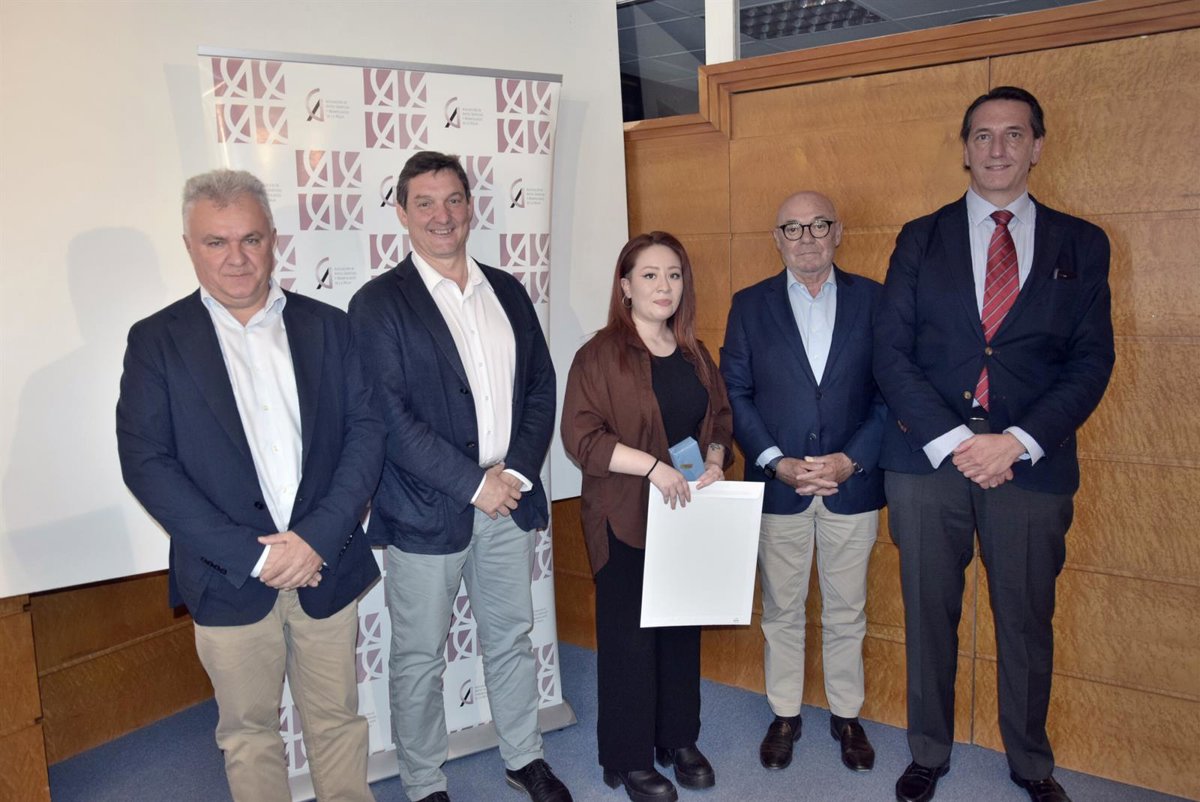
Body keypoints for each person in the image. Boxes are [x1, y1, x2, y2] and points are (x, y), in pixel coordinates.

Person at [874, 87, 1115, 802]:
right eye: (983, 135)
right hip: (927, 462)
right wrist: (956, 441)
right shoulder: (920, 237)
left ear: (1037, 146)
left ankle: (1031, 763)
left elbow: (1091, 361)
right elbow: (891, 352)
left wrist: (1016, 441)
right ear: (966, 149)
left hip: (1029, 466)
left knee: (1026, 620)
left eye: (1014, 134)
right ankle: (928, 752)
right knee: (928, 615)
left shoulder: (1082, 243)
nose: (998, 148)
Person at [116, 169, 383, 802]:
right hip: (226, 575)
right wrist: (257, 556)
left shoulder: (331, 326)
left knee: (338, 722)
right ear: (190, 246)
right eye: (216, 242)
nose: (236, 257)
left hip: (325, 563)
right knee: (249, 735)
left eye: (250, 239)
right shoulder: (156, 341)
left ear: (272, 240)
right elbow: (147, 463)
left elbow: (366, 435)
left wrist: (315, 540)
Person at [347, 151, 568, 802]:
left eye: (453, 200)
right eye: (425, 202)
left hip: (509, 499)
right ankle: (423, 783)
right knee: (419, 656)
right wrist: (475, 484)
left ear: (470, 207)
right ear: (401, 212)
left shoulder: (507, 290)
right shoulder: (377, 304)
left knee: (511, 637)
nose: (441, 215)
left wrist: (516, 472)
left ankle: (524, 757)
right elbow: (389, 416)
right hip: (424, 509)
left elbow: (540, 385)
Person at [561, 231, 733, 802]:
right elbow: (582, 438)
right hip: (624, 514)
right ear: (626, 286)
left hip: (684, 516)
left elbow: (720, 419)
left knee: (681, 630)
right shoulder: (598, 355)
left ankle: (677, 739)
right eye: (651, 275)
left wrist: (714, 459)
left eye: (674, 275)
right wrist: (654, 468)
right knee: (630, 640)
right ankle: (628, 757)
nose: (664, 286)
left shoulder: (694, 353)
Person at [720, 191, 886, 774]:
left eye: (818, 225)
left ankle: (846, 715)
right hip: (779, 487)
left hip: (852, 486)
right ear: (777, 239)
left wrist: (851, 460)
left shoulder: (876, 300)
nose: (807, 238)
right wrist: (774, 461)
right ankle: (785, 714)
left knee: (848, 610)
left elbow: (893, 391)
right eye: (792, 228)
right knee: (781, 610)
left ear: (838, 232)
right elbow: (735, 392)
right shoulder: (749, 305)